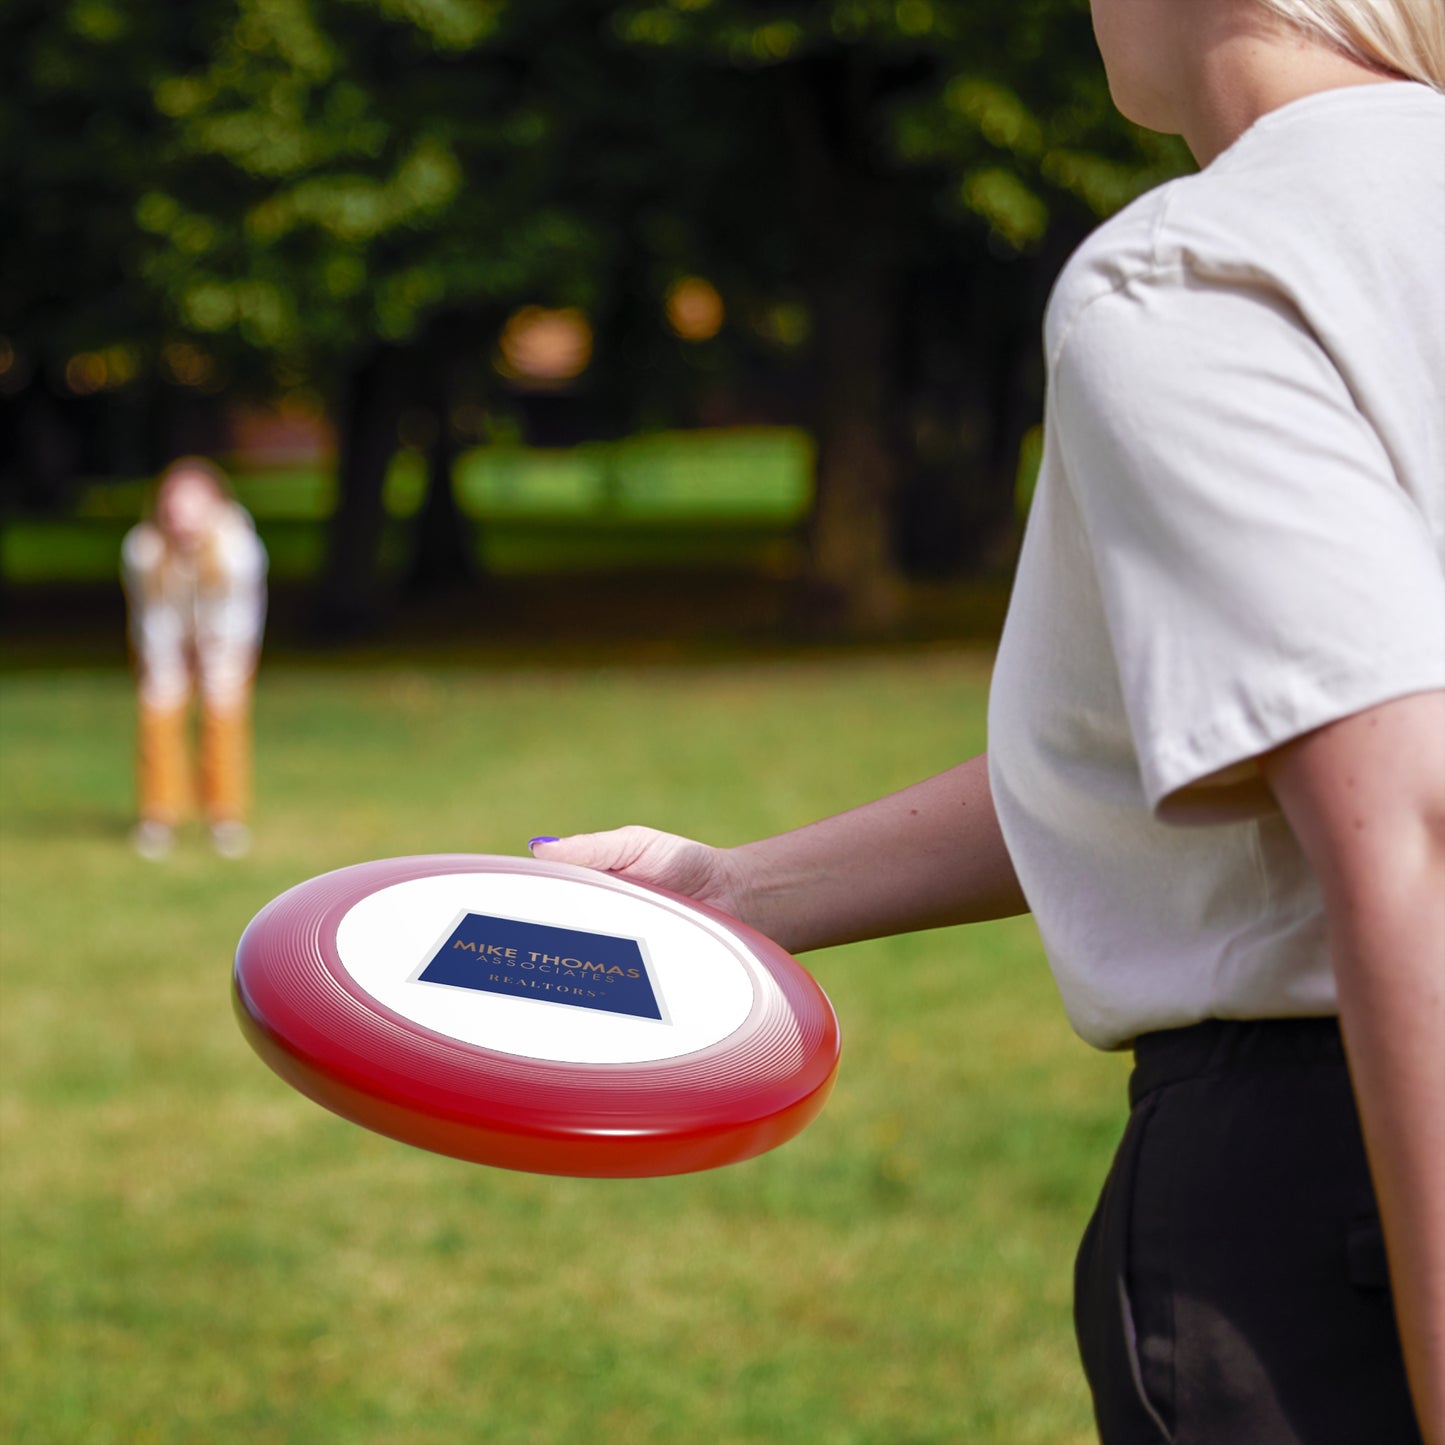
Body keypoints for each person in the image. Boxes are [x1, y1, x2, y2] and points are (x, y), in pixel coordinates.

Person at [529, 2, 1445, 1440]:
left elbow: (1408, 822)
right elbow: (1218, 741)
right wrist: (736, 890)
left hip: (1342, 1192)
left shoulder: (1204, 270)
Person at [121, 457, 268, 860]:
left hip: (226, 641)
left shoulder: (239, 549)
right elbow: (152, 616)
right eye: (174, 506)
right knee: (158, 713)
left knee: (223, 717)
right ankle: (158, 816)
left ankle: (225, 817)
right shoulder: (143, 549)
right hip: (165, 640)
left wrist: (215, 660)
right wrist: (168, 665)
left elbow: (239, 616)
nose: (182, 517)